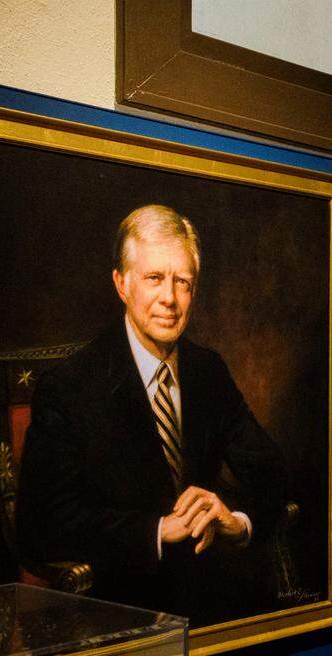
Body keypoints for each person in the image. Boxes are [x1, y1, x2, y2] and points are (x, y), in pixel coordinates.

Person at [17, 205, 289, 625]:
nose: (170, 298)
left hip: (211, 600)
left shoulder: (207, 370)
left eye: (183, 282)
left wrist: (235, 522)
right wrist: (157, 531)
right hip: (115, 611)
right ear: (121, 284)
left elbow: (272, 472)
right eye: (154, 278)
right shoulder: (69, 386)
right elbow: (41, 527)